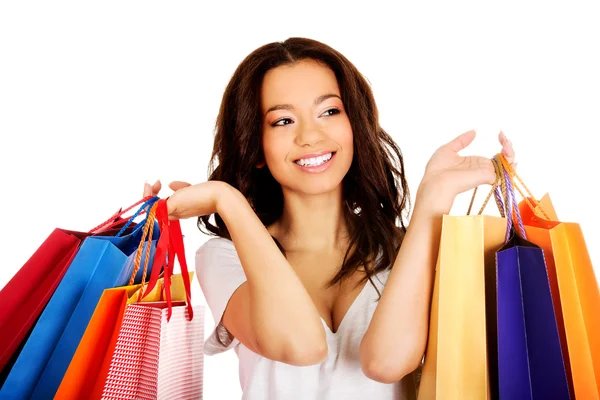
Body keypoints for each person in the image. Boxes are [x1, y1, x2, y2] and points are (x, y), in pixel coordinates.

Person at [143, 37, 515, 400]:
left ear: (355, 125)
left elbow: (387, 362)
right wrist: (229, 201)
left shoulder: (409, 248)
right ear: (255, 146)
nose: (310, 135)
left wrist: (433, 199)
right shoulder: (227, 256)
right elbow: (300, 344)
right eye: (283, 121)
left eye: (330, 111)